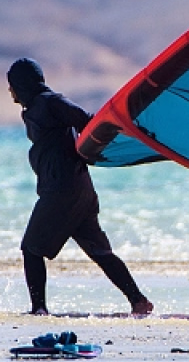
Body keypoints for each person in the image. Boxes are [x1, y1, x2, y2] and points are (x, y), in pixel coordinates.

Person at [8, 58, 152, 317]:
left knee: (30, 248)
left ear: (21, 84)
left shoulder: (49, 103)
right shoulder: (36, 108)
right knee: (100, 251)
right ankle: (139, 301)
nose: (10, 92)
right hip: (77, 190)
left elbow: (86, 120)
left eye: (12, 86)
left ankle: (38, 309)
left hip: (63, 191)